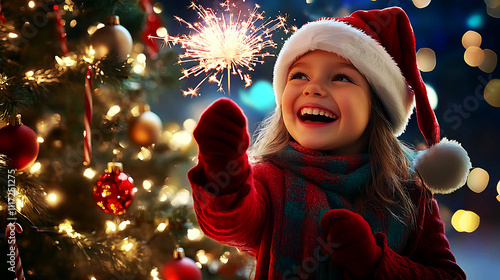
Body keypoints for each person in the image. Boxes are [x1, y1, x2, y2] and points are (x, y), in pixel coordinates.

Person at [188, 7, 471, 280]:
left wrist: (375, 262)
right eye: (299, 75)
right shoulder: (270, 179)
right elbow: (231, 224)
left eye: (340, 77)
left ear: (377, 107)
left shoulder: (409, 193)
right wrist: (223, 173)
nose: (313, 88)